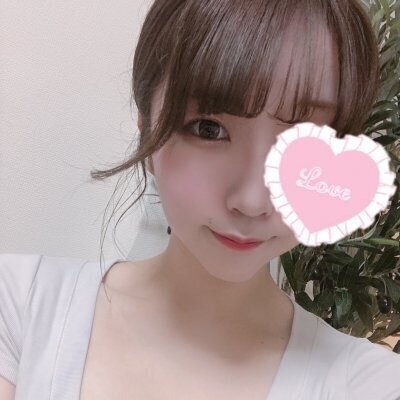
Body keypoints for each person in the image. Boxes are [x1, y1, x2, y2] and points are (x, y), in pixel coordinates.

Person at [1, 0, 400, 399]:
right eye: (208, 129)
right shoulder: (21, 305)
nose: (252, 201)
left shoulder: (366, 382)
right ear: (146, 130)